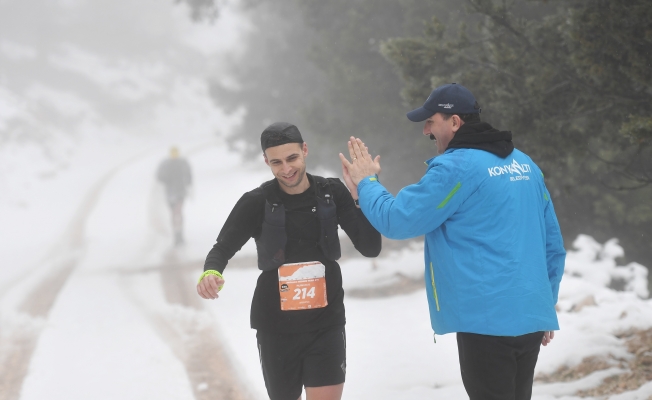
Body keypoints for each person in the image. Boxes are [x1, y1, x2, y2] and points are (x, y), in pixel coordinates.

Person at [338, 83, 566, 400]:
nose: (425, 130)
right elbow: (553, 246)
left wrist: (367, 182)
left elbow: (398, 220)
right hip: (530, 316)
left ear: (455, 122)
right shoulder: (525, 165)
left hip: (485, 321)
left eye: (430, 122)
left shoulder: (457, 167)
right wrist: (543, 305)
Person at [197, 122, 382, 400]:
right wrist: (210, 272)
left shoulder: (332, 192)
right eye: (276, 162)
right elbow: (222, 248)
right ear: (266, 161)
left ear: (305, 150)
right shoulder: (256, 201)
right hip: (276, 329)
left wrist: (363, 193)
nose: (286, 168)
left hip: (326, 324)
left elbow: (370, 247)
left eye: (292, 158)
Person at [156, 146, 192, 245]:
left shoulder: (182, 163)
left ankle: (179, 234)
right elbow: (159, 177)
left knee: (177, 212)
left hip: (179, 193)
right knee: (175, 213)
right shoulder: (166, 164)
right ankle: (177, 234)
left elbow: (189, 176)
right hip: (171, 193)